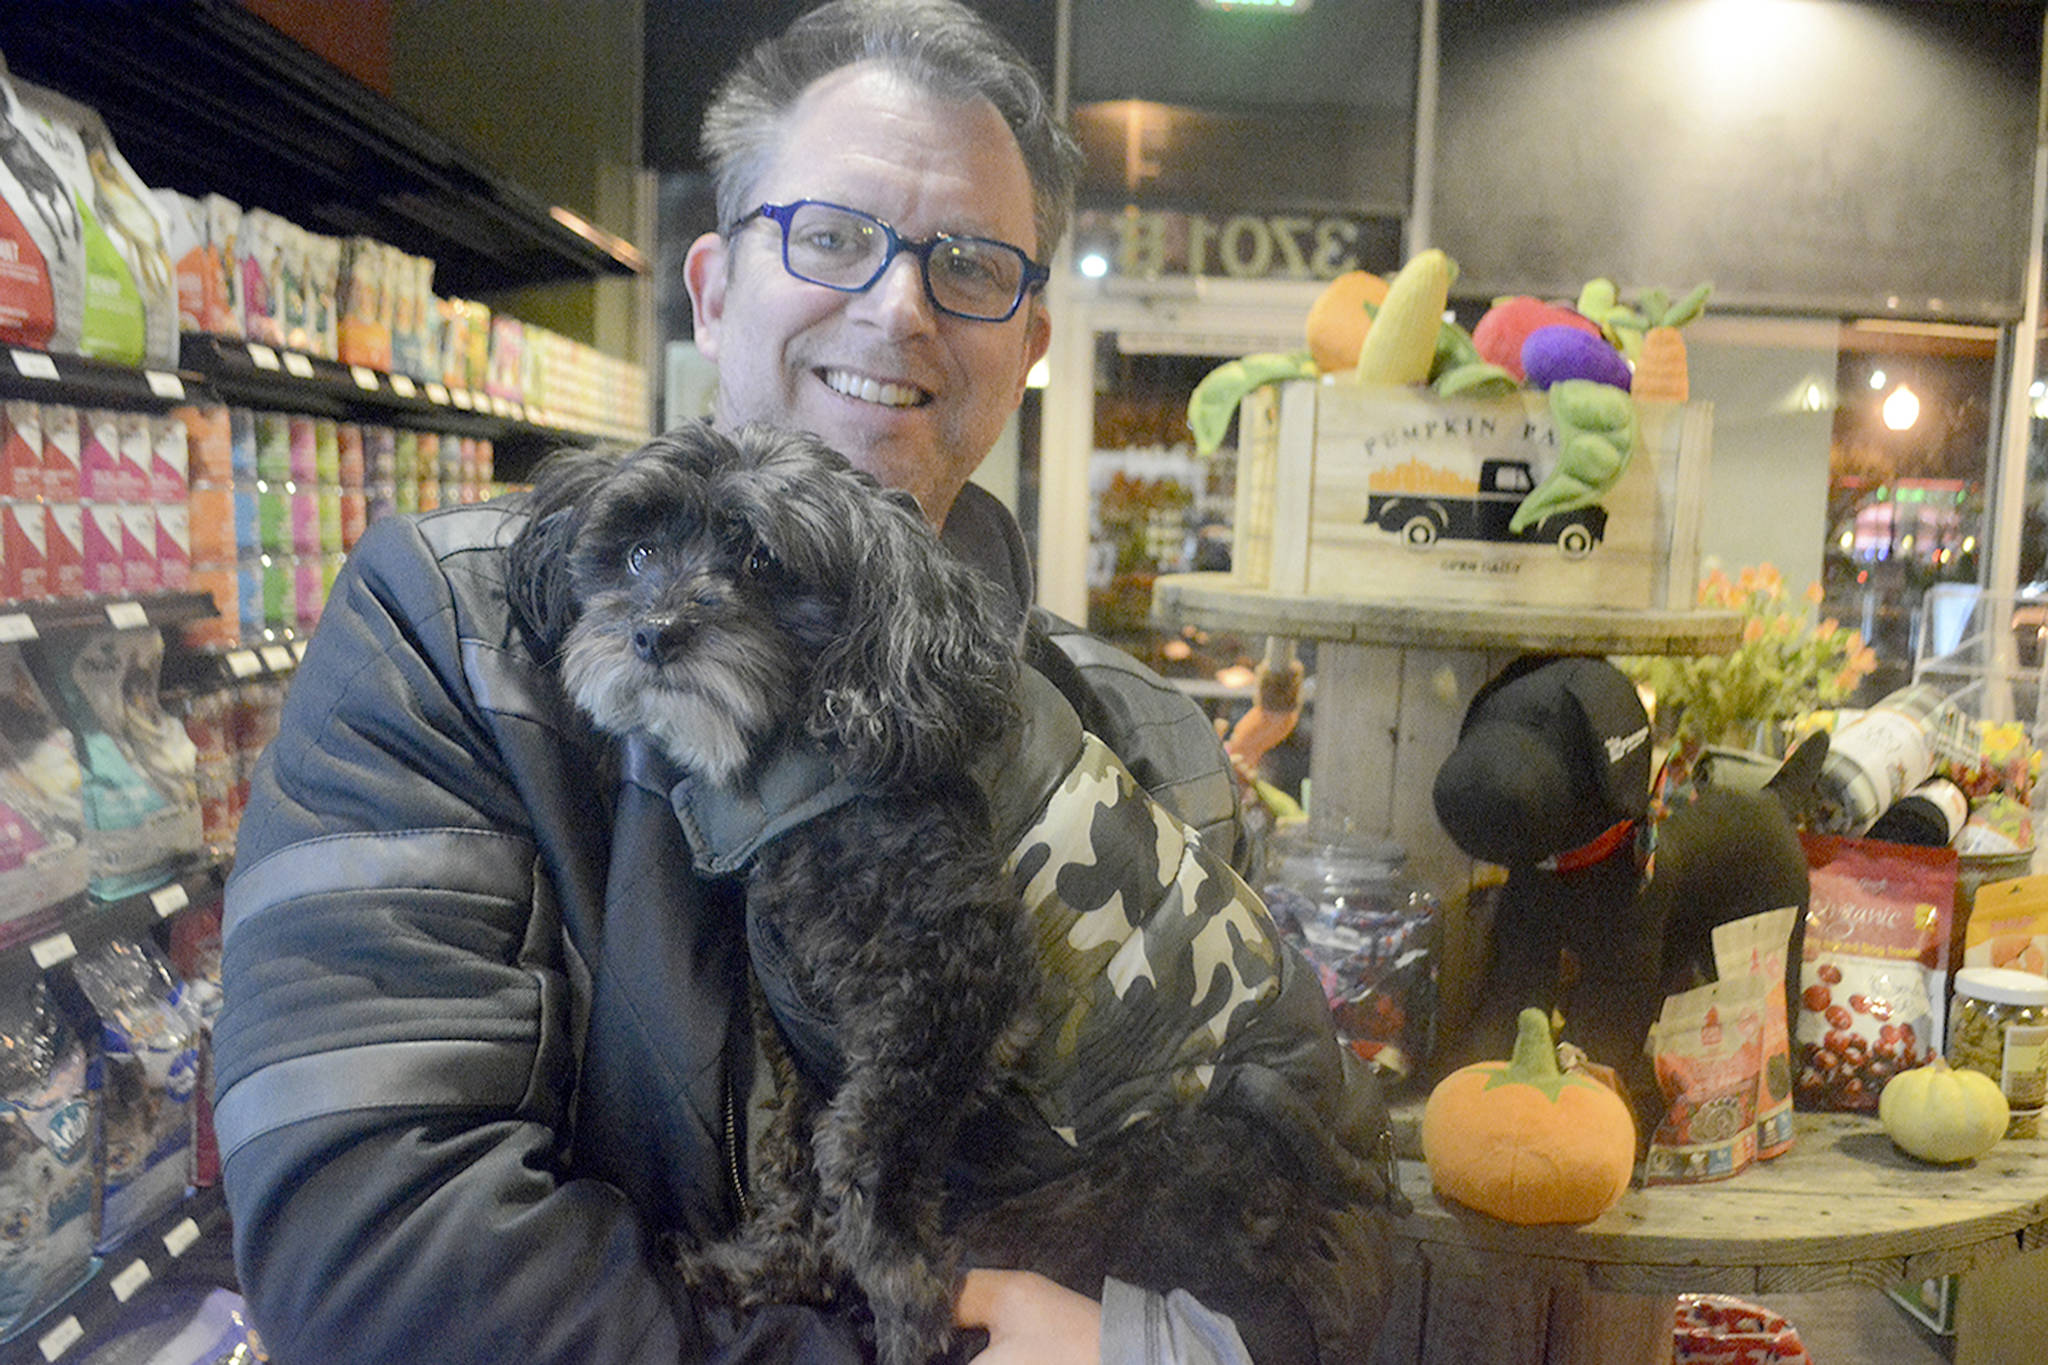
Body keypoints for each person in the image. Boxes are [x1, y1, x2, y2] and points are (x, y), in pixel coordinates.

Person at [212, 3, 1390, 1362]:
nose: (898, 308)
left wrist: (1174, 1345)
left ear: (1026, 345)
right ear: (712, 290)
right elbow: (371, 1253)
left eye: (969, 267)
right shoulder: (461, 638)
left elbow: (1338, 1205)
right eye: (831, 237)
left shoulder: (1155, 743)